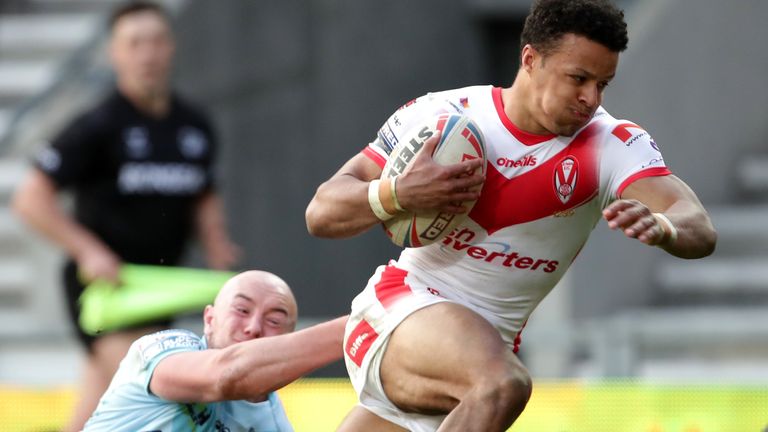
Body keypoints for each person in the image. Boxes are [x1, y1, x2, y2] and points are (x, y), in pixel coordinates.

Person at [305, 0, 718, 430]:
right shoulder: (444, 116)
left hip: (469, 360)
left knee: (494, 382)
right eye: (578, 78)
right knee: (504, 383)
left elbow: (697, 224)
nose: (591, 99)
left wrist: (665, 227)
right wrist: (397, 192)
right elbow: (321, 212)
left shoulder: (610, 144)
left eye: (603, 84)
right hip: (400, 312)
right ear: (530, 59)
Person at [11, 2, 239, 431]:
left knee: (99, 405)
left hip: (161, 287)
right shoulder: (97, 125)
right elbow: (29, 198)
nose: (147, 54)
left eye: (155, 41)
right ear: (114, 54)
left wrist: (215, 240)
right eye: (134, 43)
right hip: (106, 291)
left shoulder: (194, 125)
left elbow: (203, 191)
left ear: (171, 47)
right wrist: (90, 251)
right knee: (154, 396)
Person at [82, 270, 347, 431]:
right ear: (210, 319)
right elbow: (225, 376)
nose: (254, 327)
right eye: (242, 310)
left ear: (286, 341)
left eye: (274, 321)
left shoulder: (272, 423)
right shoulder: (161, 349)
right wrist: (361, 327)